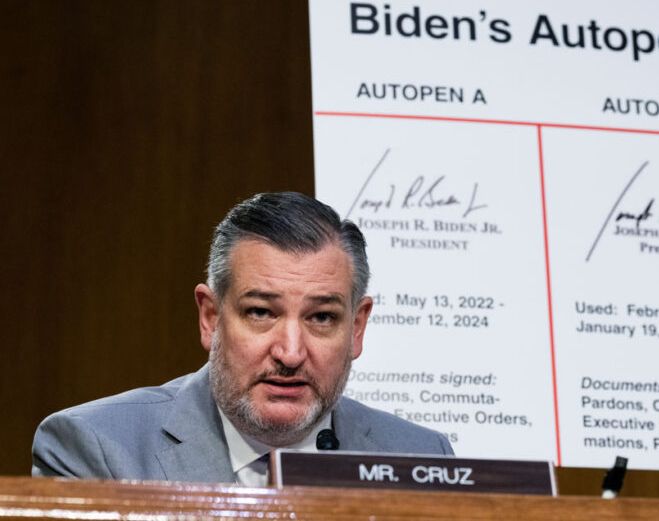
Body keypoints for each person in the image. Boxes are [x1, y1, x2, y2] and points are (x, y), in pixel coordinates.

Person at [32, 192, 453, 484]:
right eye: (260, 312)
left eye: (322, 317)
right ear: (210, 317)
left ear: (357, 328)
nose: (290, 353)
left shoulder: (420, 459)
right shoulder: (98, 449)